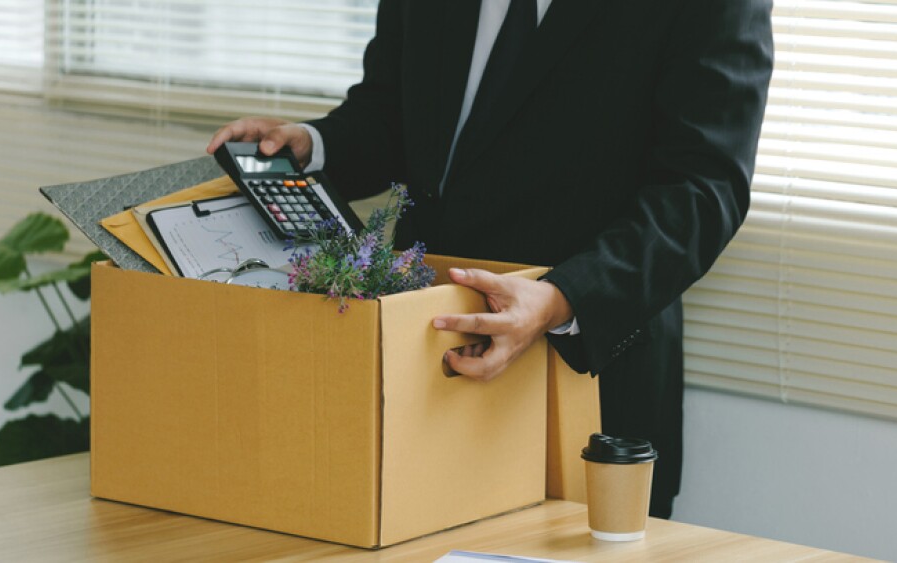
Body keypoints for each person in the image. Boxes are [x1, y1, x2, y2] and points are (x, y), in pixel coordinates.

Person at [208, 0, 773, 518]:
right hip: (421, 365)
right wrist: (315, 144)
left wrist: (562, 297)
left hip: (584, 373)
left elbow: (702, 189)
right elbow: (396, 113)